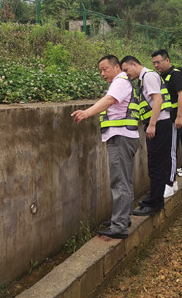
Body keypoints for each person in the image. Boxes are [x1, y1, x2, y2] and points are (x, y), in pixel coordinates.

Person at [71, 55, 139, 239]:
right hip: (126, 136)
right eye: (100, 70)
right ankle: (123, 219)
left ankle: (119, 227)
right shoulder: (124, 82)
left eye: (105, 69)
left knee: (119, 182)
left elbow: (109, 100)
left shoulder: (120, 81)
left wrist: (86, 112)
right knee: (125, 180)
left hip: (120, 137)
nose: (102, 73)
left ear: (116, 67)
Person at [120, 55, 172, 216]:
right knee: (156, 163)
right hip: (159, 124)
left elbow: (158, 101)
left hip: (159, 125)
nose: (126, 74)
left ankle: (155, 203)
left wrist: (152, 124)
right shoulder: (146, 78)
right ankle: (154, 199)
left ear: (134, 64)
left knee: (156, 164)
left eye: (126, 70)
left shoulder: (148, 76)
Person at [151, 50, 182, 197]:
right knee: (165, 151)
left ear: (167, 60)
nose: (156, 65)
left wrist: (179, 116)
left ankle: (169, 183)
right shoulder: (161, 77)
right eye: (154, 63)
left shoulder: (175, 74)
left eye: (158, 62)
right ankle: (174, 181)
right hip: (163, 119)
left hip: (172, 119)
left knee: (170, 151)